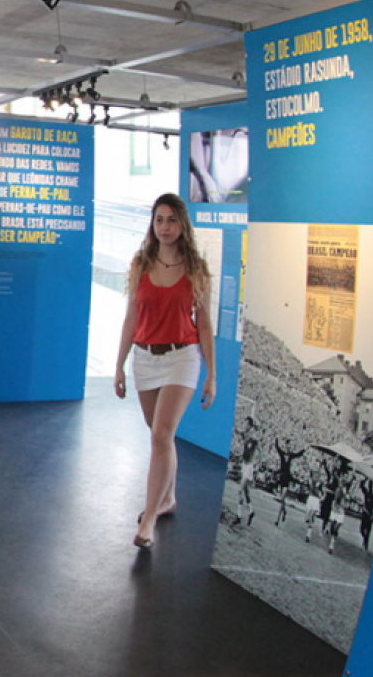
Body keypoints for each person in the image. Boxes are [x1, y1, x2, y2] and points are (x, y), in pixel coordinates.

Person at [114, 193, 216, 549]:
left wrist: (212, 374)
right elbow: (131, 319)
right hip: (145, 357)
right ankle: (169, 497)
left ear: (182, 225)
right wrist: (120, 365)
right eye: (159, 220)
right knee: (159, 435)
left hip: (182, 356)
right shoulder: (140, 264)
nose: (165, 227)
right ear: (152, 224)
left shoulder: (196, 269)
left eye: (172, 220)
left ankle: (150, 519)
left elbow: (203, 326)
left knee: (160, 434)